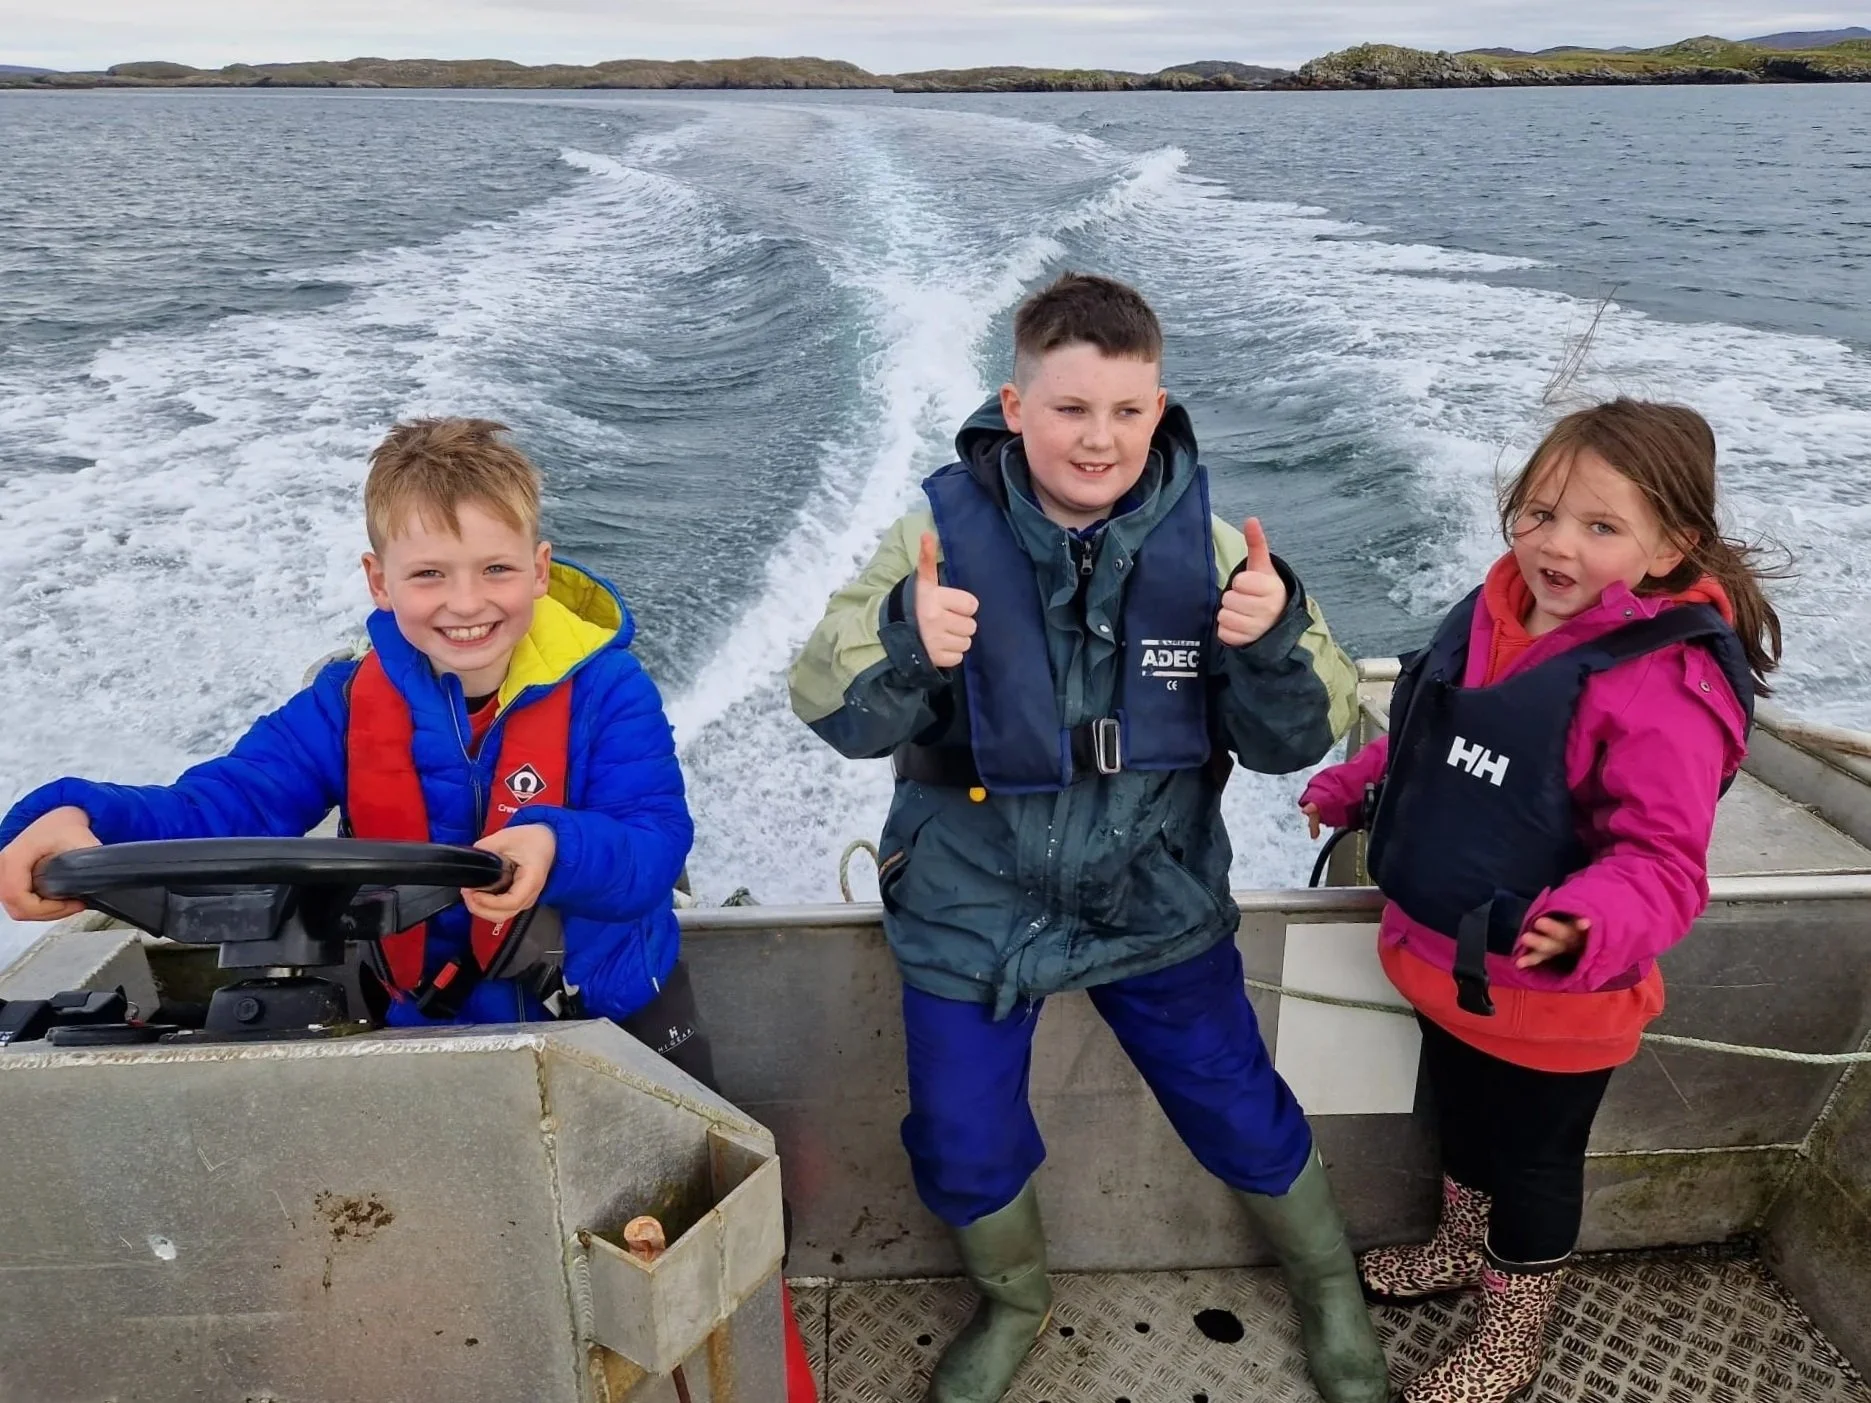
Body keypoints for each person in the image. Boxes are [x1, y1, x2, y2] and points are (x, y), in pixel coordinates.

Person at [0, 416, 820, 1398]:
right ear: (378, 579)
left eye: (494, 569)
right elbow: (219, 802)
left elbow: (652, 845)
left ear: (539, 565)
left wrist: (556, 842)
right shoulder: (343, 703)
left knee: (697, 1252)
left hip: (618, 1021)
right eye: (429, 574)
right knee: (465, 1262)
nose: (465, 603)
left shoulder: (609, 692)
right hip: (428, 1031)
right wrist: (77, 815)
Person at [788, 272, 1386, 1403]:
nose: (1097, 438)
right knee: (960, 1136)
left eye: (1124, 410)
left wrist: (1264, 644)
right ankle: (1015, 1296)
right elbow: (833, 711)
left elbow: (1293, 741)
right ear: (1014, 409)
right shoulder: (930, 536)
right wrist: (904, 641)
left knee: (1236, 1102)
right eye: (1067, 408)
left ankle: (1326, 1287)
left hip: (1151, 891)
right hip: (969, 896)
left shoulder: (1216, 550)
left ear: (1158, 408)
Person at [1300, 399, 1774, 1403]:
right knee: (1462, 1129)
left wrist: (1589, 923)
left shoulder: (1662, 686)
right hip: (1442, 964)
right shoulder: (1492, 611)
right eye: (1540, 512)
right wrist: (1352, 786)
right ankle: (1452, 1249)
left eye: (1600, 526)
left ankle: (1508, 1337)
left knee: (1532, 1169)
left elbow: (1659, 862)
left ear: (1666, 546)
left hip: (1554, 999)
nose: (1558, 544)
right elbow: (1435, 733)